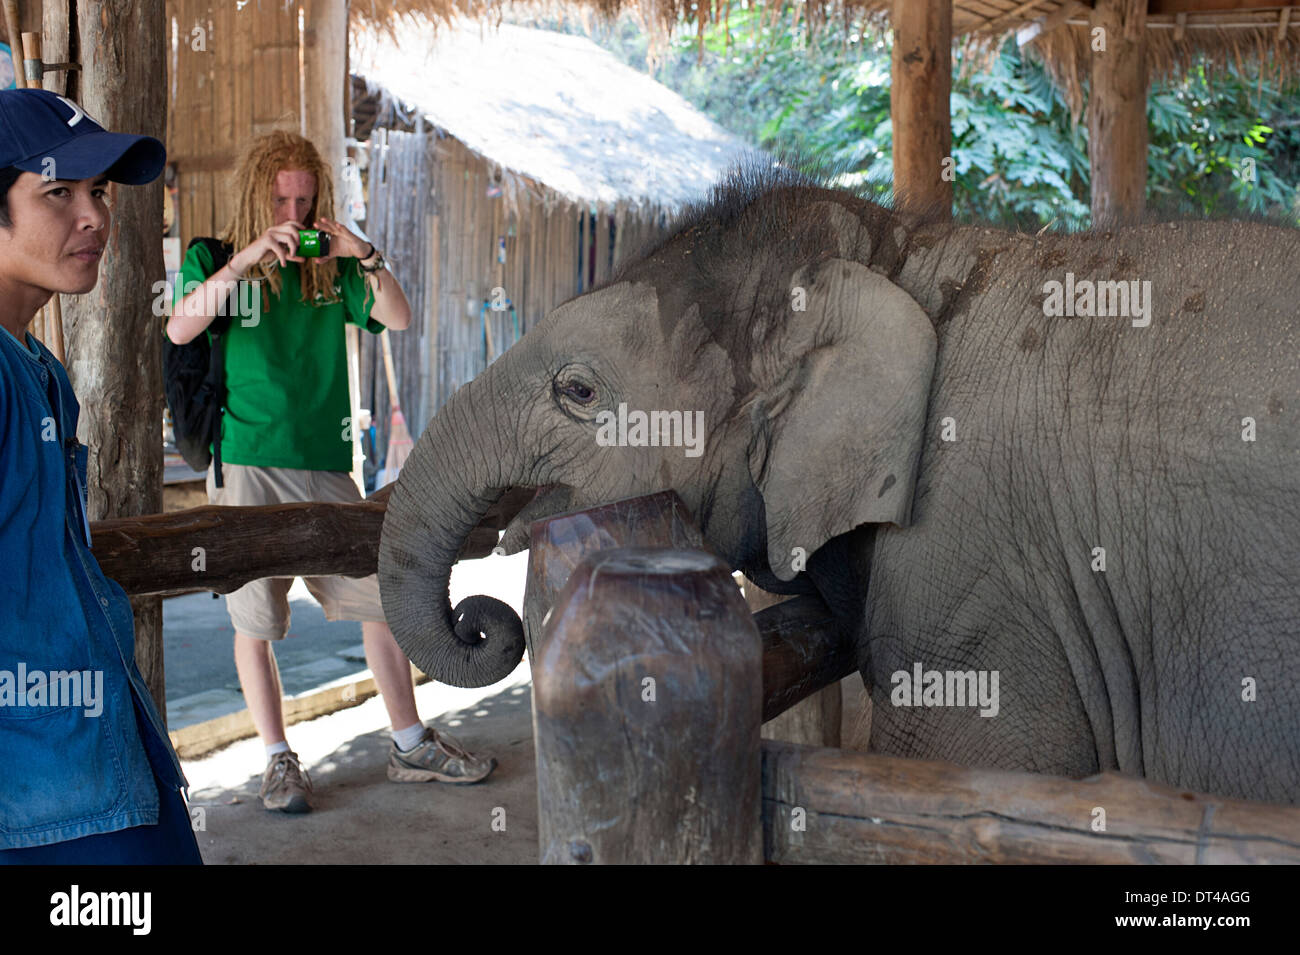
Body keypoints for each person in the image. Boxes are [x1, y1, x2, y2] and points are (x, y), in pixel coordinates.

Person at [165, 131, 495, 814]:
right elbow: (181, 328)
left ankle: (409, 743)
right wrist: (251, 258)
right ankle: (277, 758)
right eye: (281, 198)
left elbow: (398, 316)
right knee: (254, 618)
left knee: (378, 601)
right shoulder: (217, 257)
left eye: (305, 199)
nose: (294, 211)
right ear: (258, 194)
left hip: (327, 462)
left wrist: (363, 253)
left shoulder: (333, 267)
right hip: (249, 460)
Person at [0, 88, 201, 863]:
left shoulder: (40, 371)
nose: (95, 217)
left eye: (99, 192)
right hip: (38, 806)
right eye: (58, 192)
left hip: (96, 765)